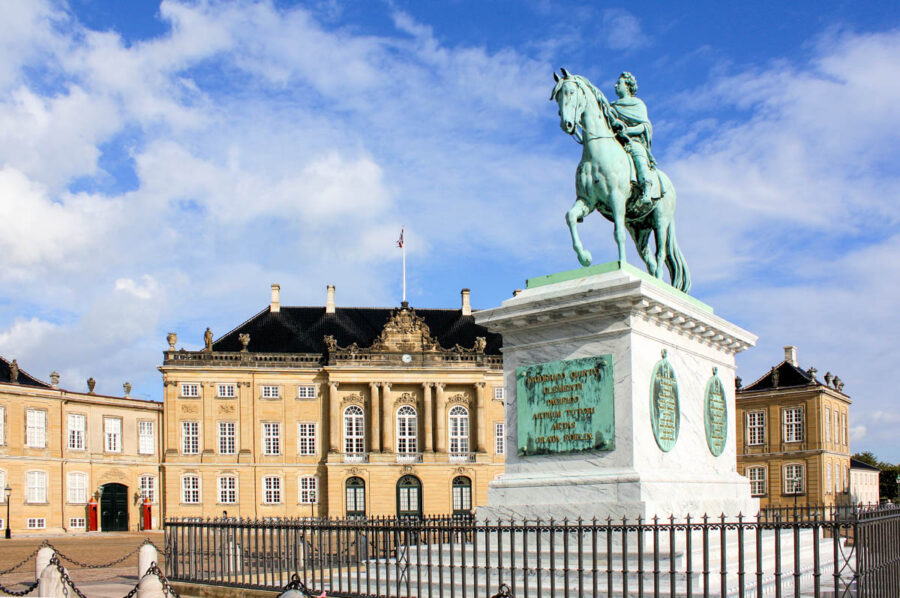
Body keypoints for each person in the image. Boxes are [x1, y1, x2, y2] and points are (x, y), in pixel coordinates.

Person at [609, 72, 657, 209]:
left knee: (638, 155)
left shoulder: (637, 104)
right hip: (617, 141)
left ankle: (646, 190)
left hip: (634, 141)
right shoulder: (612, 107)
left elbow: (645, 126)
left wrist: (628, 131)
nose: (616, 85)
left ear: (628, 86)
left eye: (619, 83)